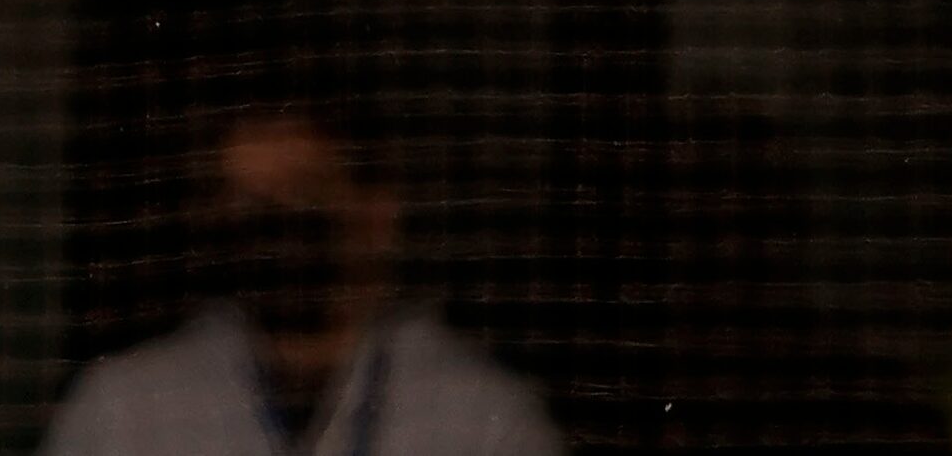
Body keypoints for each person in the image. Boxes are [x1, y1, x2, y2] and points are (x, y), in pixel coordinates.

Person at [38, 107, 561, 456]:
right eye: (243, 202)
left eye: (299, 192)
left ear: (376, 214)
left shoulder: (481, 415)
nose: (270, 225)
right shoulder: (126, 408)